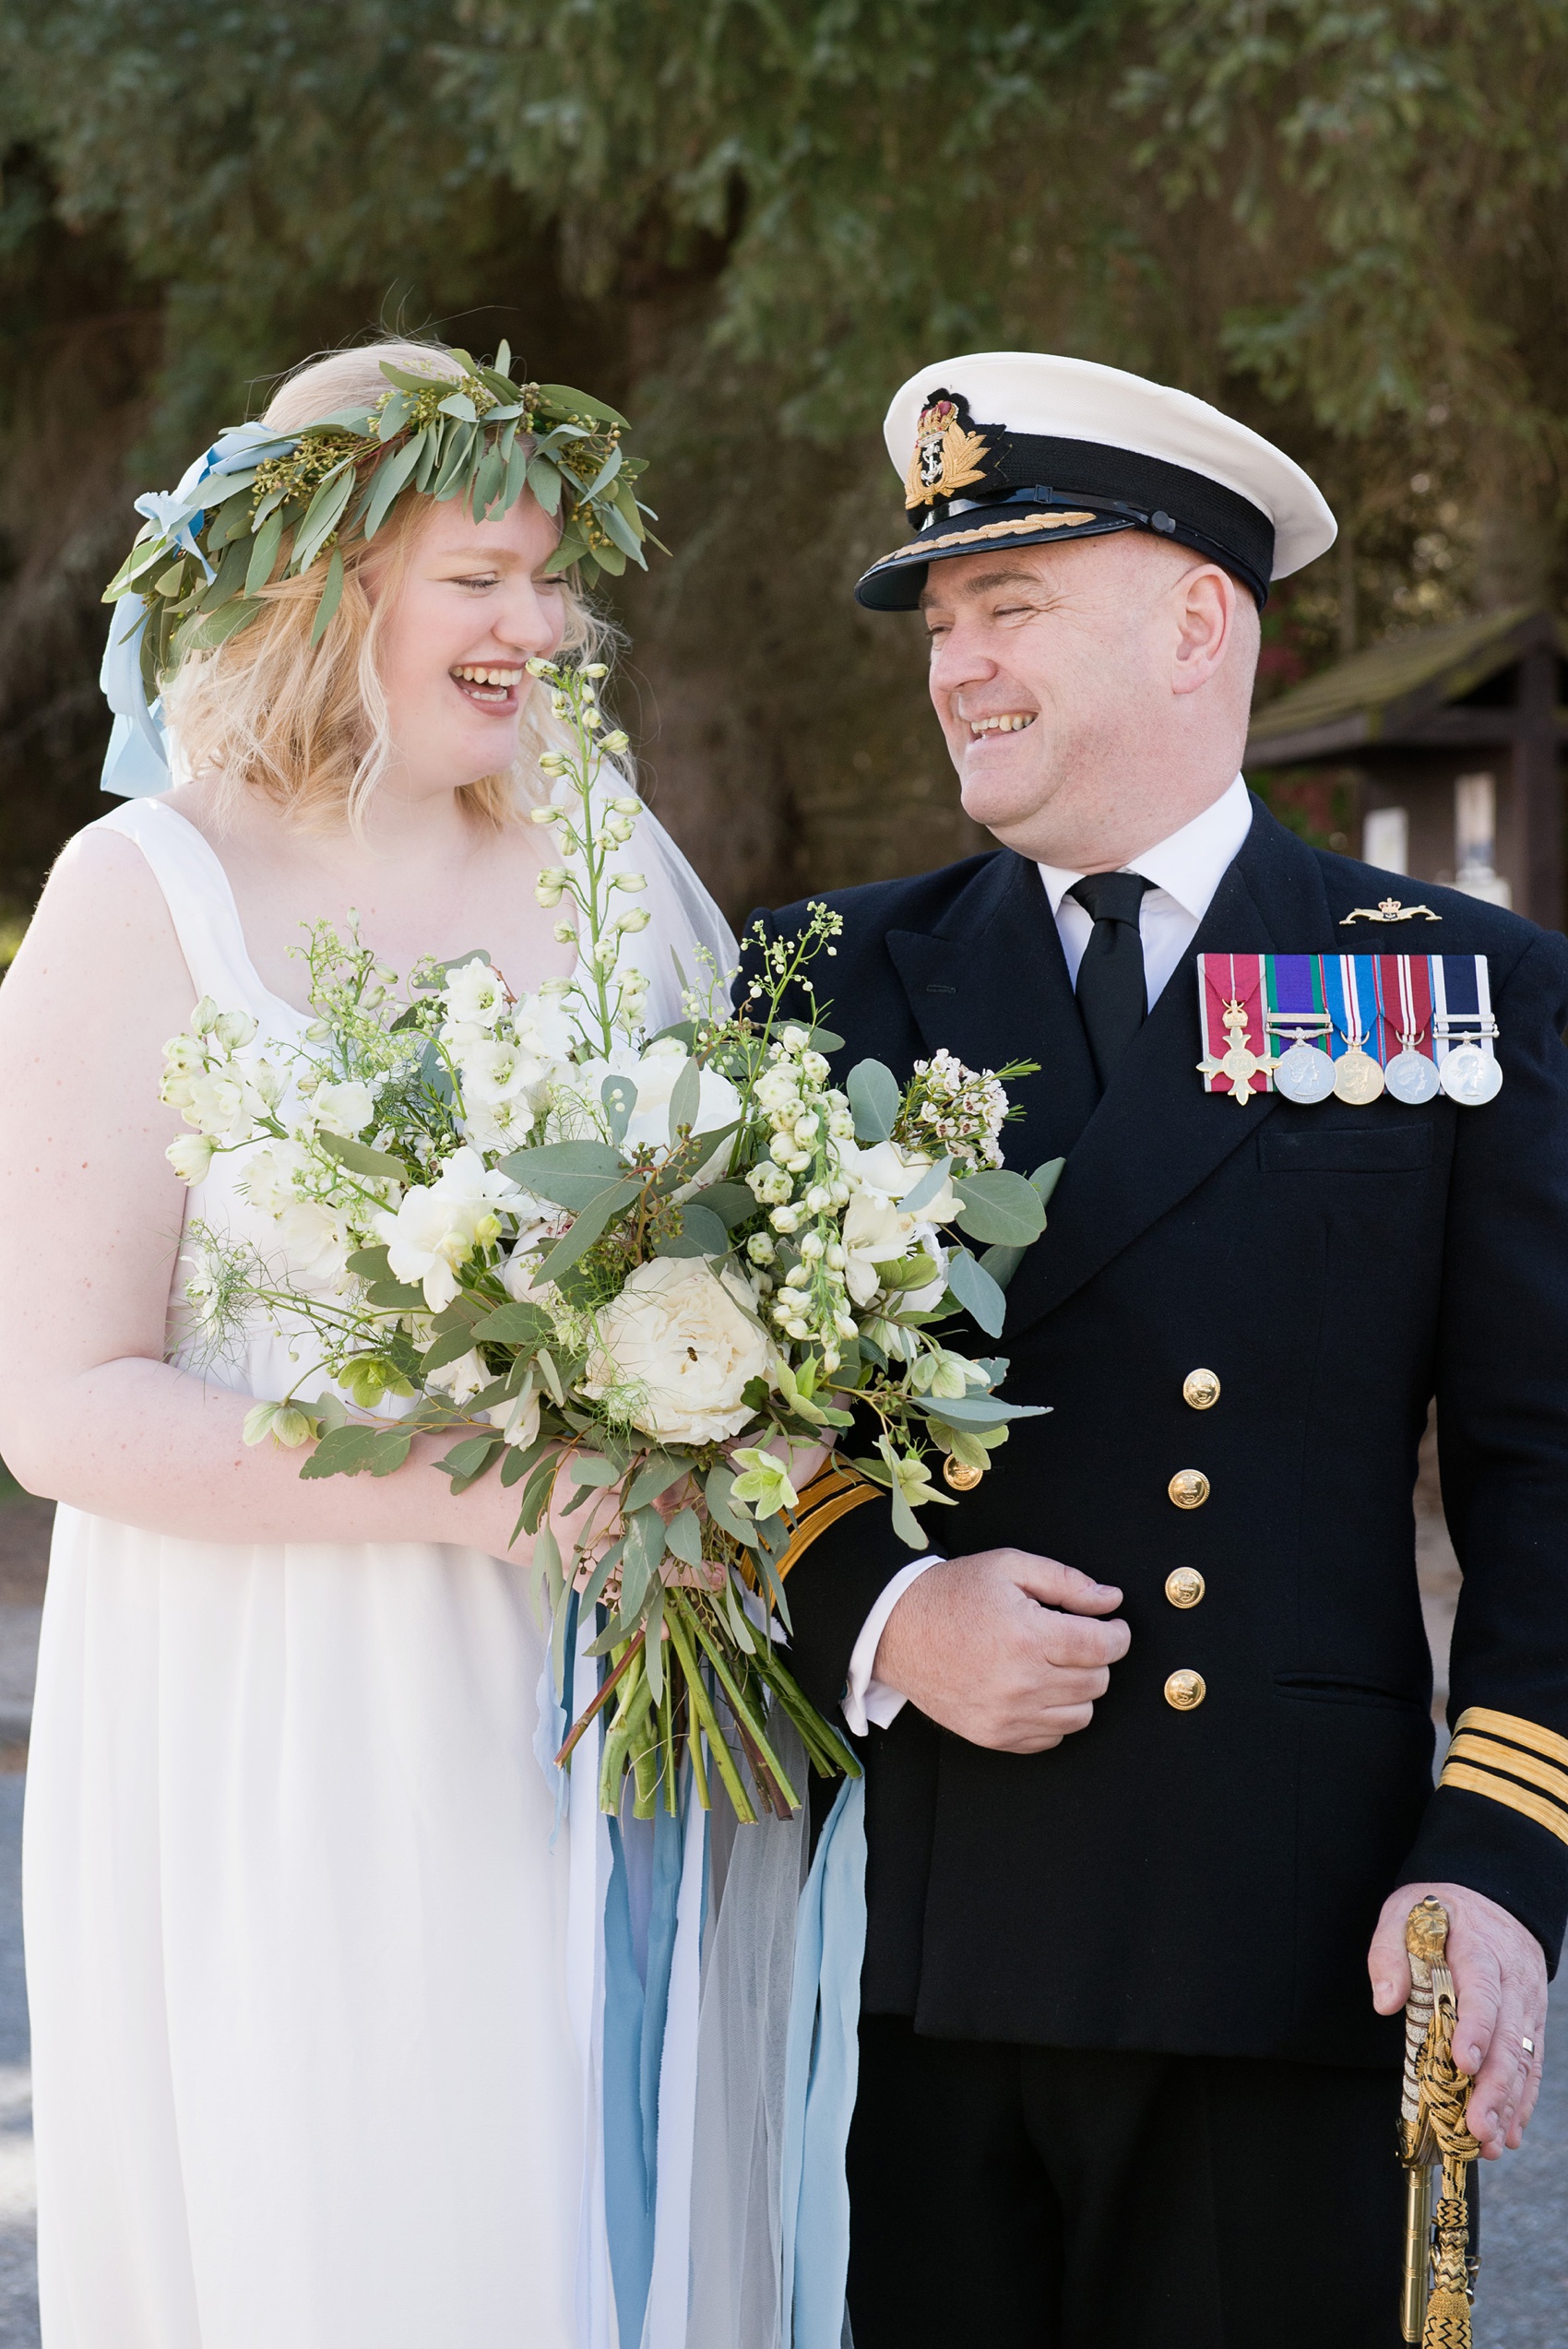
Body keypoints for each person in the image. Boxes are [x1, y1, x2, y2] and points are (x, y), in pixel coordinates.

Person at [751, 351, 1567, 2348]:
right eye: (941, 624)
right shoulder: (822, 977)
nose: (958, 666)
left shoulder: (1445, 985)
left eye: (1009, 605)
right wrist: (884, 1607)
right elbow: (709, 1410)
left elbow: (1547, 1475)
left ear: (1199, 618)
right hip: (909, 1937)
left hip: (1280, 1936)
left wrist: (1499, 1854)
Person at [0, 337, 734, 2349]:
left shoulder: (606, 860)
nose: (539, 623)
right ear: (331, 581)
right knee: (366, 2225)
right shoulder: (145, 892)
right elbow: (59, 1402)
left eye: (553, 576)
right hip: (284, 1711)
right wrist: (482, 1486)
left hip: (603, 1682)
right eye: (479, 576)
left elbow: (727, 1224)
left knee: (607, 2221)